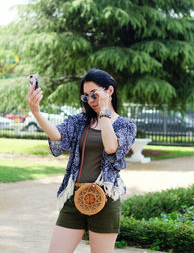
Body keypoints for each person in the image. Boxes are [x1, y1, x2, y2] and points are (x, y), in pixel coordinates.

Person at [26, 68, 136, 253]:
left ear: (110, 91)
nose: (90, 101)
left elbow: (111, 147)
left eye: (94, 94)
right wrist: (36, 112)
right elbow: (58, 136)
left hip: (105, 199)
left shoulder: (126, 125)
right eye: (86, 96)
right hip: (74, 197)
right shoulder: (81, 120)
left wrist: (104, 112)